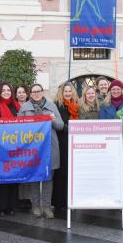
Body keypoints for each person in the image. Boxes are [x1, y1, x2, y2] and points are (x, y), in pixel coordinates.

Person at [18, 84, 64, 219]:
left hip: (50, 147)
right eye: (34, 92)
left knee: (48, 178)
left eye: (39, 91)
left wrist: (53, 120)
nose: (36, 94)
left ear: (42, 92)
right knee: (35, 178)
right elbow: (18, 127)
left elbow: (61, 126)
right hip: (32, 149)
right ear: (30, 94)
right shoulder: (25, 107)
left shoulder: (51, 106)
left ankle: (47, 207)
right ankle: (36, 206)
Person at [0, 83, 20, 216]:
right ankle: (1, 206)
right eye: (4, 90)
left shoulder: (16, 106)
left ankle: (11, 206)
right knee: (2, 177)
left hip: (15, 146)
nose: (6, 92)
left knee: (13, 177)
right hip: (0, 147)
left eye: (9, 90)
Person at [52, 82, 79, 210]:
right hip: (62, 142)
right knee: (61, 172)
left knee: (72, 172)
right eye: (65, 91)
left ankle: (70, 199)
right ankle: (59, 202)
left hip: (73, 141)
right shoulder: (58, 105)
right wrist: (71, 129)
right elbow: (59, 124)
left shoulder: (75, 105)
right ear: (61, 93)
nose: (68, 93)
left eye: (70, 91)